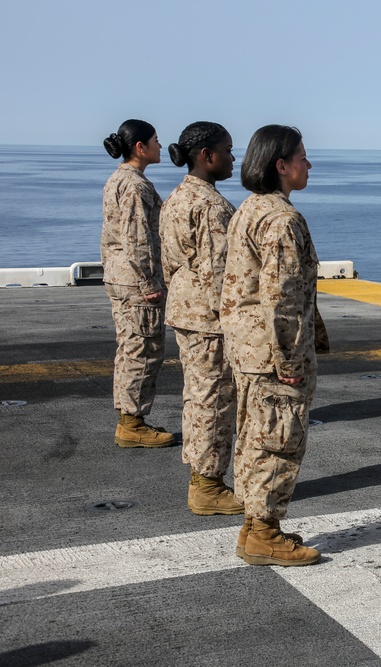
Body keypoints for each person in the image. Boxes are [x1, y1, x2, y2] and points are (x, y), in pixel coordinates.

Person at [220, 125, 320, 566]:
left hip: (246, 347)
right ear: (280, 165)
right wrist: (291, 358)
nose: (308, 164)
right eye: (301, 156)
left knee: (254, 437)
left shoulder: (250, 209)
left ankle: (252, 526)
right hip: (271, 351)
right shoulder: (281, 219)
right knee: (278, 440)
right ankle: (264, 533)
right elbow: (282, 297)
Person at [160, 122, 242, 516]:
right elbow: (220, 274)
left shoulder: (176, 197)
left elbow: (170, 263)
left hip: (185, 310)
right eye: (227, 149)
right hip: (209, 318)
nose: (232, 157)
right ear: (207, 156)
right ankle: (207, 486)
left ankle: (202, 477)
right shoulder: (210, 205)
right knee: (213, 401)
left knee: (198, 396)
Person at [101, 119, 175, 448]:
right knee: (142, 350)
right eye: (156, 141)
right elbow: (137, 238)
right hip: (136, 284)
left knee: (130, 348)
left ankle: (130, 420)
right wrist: (149, 282)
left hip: (121, 278)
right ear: (140, 147)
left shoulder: (119, 179)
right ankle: (132, 423)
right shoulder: (134, 185)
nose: (161, 146)